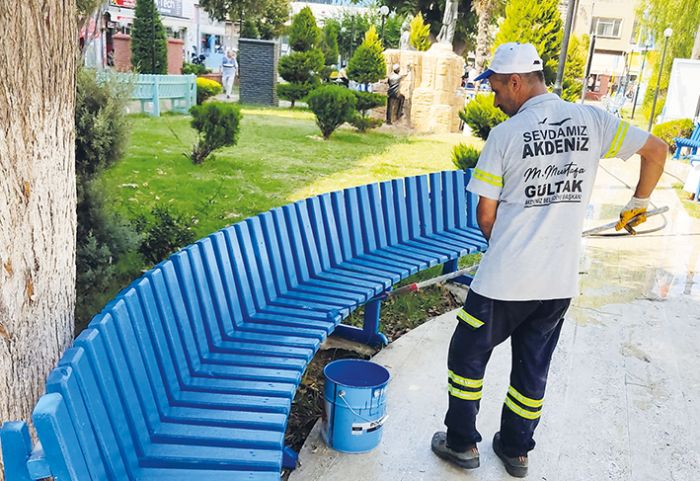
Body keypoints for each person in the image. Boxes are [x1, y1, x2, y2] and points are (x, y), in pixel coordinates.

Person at [430, 42, 668, 478]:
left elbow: (486, 215)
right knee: (532, 366)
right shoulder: (592, 120)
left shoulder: (505, 135)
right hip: (558, 281)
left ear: (516, 82)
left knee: (466, 354)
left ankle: (462, 443)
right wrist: (638, 201)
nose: (495, 97)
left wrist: (505, 247)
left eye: (497, 87)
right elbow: (657, 149)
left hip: (505, 281)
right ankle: (517, 450)